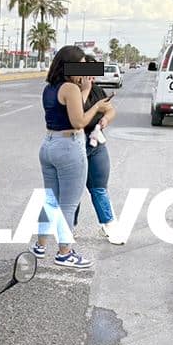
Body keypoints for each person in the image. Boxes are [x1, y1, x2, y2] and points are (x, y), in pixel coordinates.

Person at [32, 45, 114, 268]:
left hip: (49, 144)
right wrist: (97, 105)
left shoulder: (50, 87)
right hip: (69, 146)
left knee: (51, 199)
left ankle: (39, 246)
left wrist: (86, 92)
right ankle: (65, 252)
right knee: (68, 204)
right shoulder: (70, 88)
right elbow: (79, 122)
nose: (83, 73)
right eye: (80, 67)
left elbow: (68, 112)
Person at [74, 55, 124, 245]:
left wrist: (105, 119)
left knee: (99, 188)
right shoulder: (70, 91)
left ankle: (109, 225)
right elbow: (76, 118)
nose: (90, 77)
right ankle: (69, 228)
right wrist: (86, 92)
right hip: (76, 145)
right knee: (75, 190)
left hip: (96, 144)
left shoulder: (96, 90)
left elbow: (110, 109)